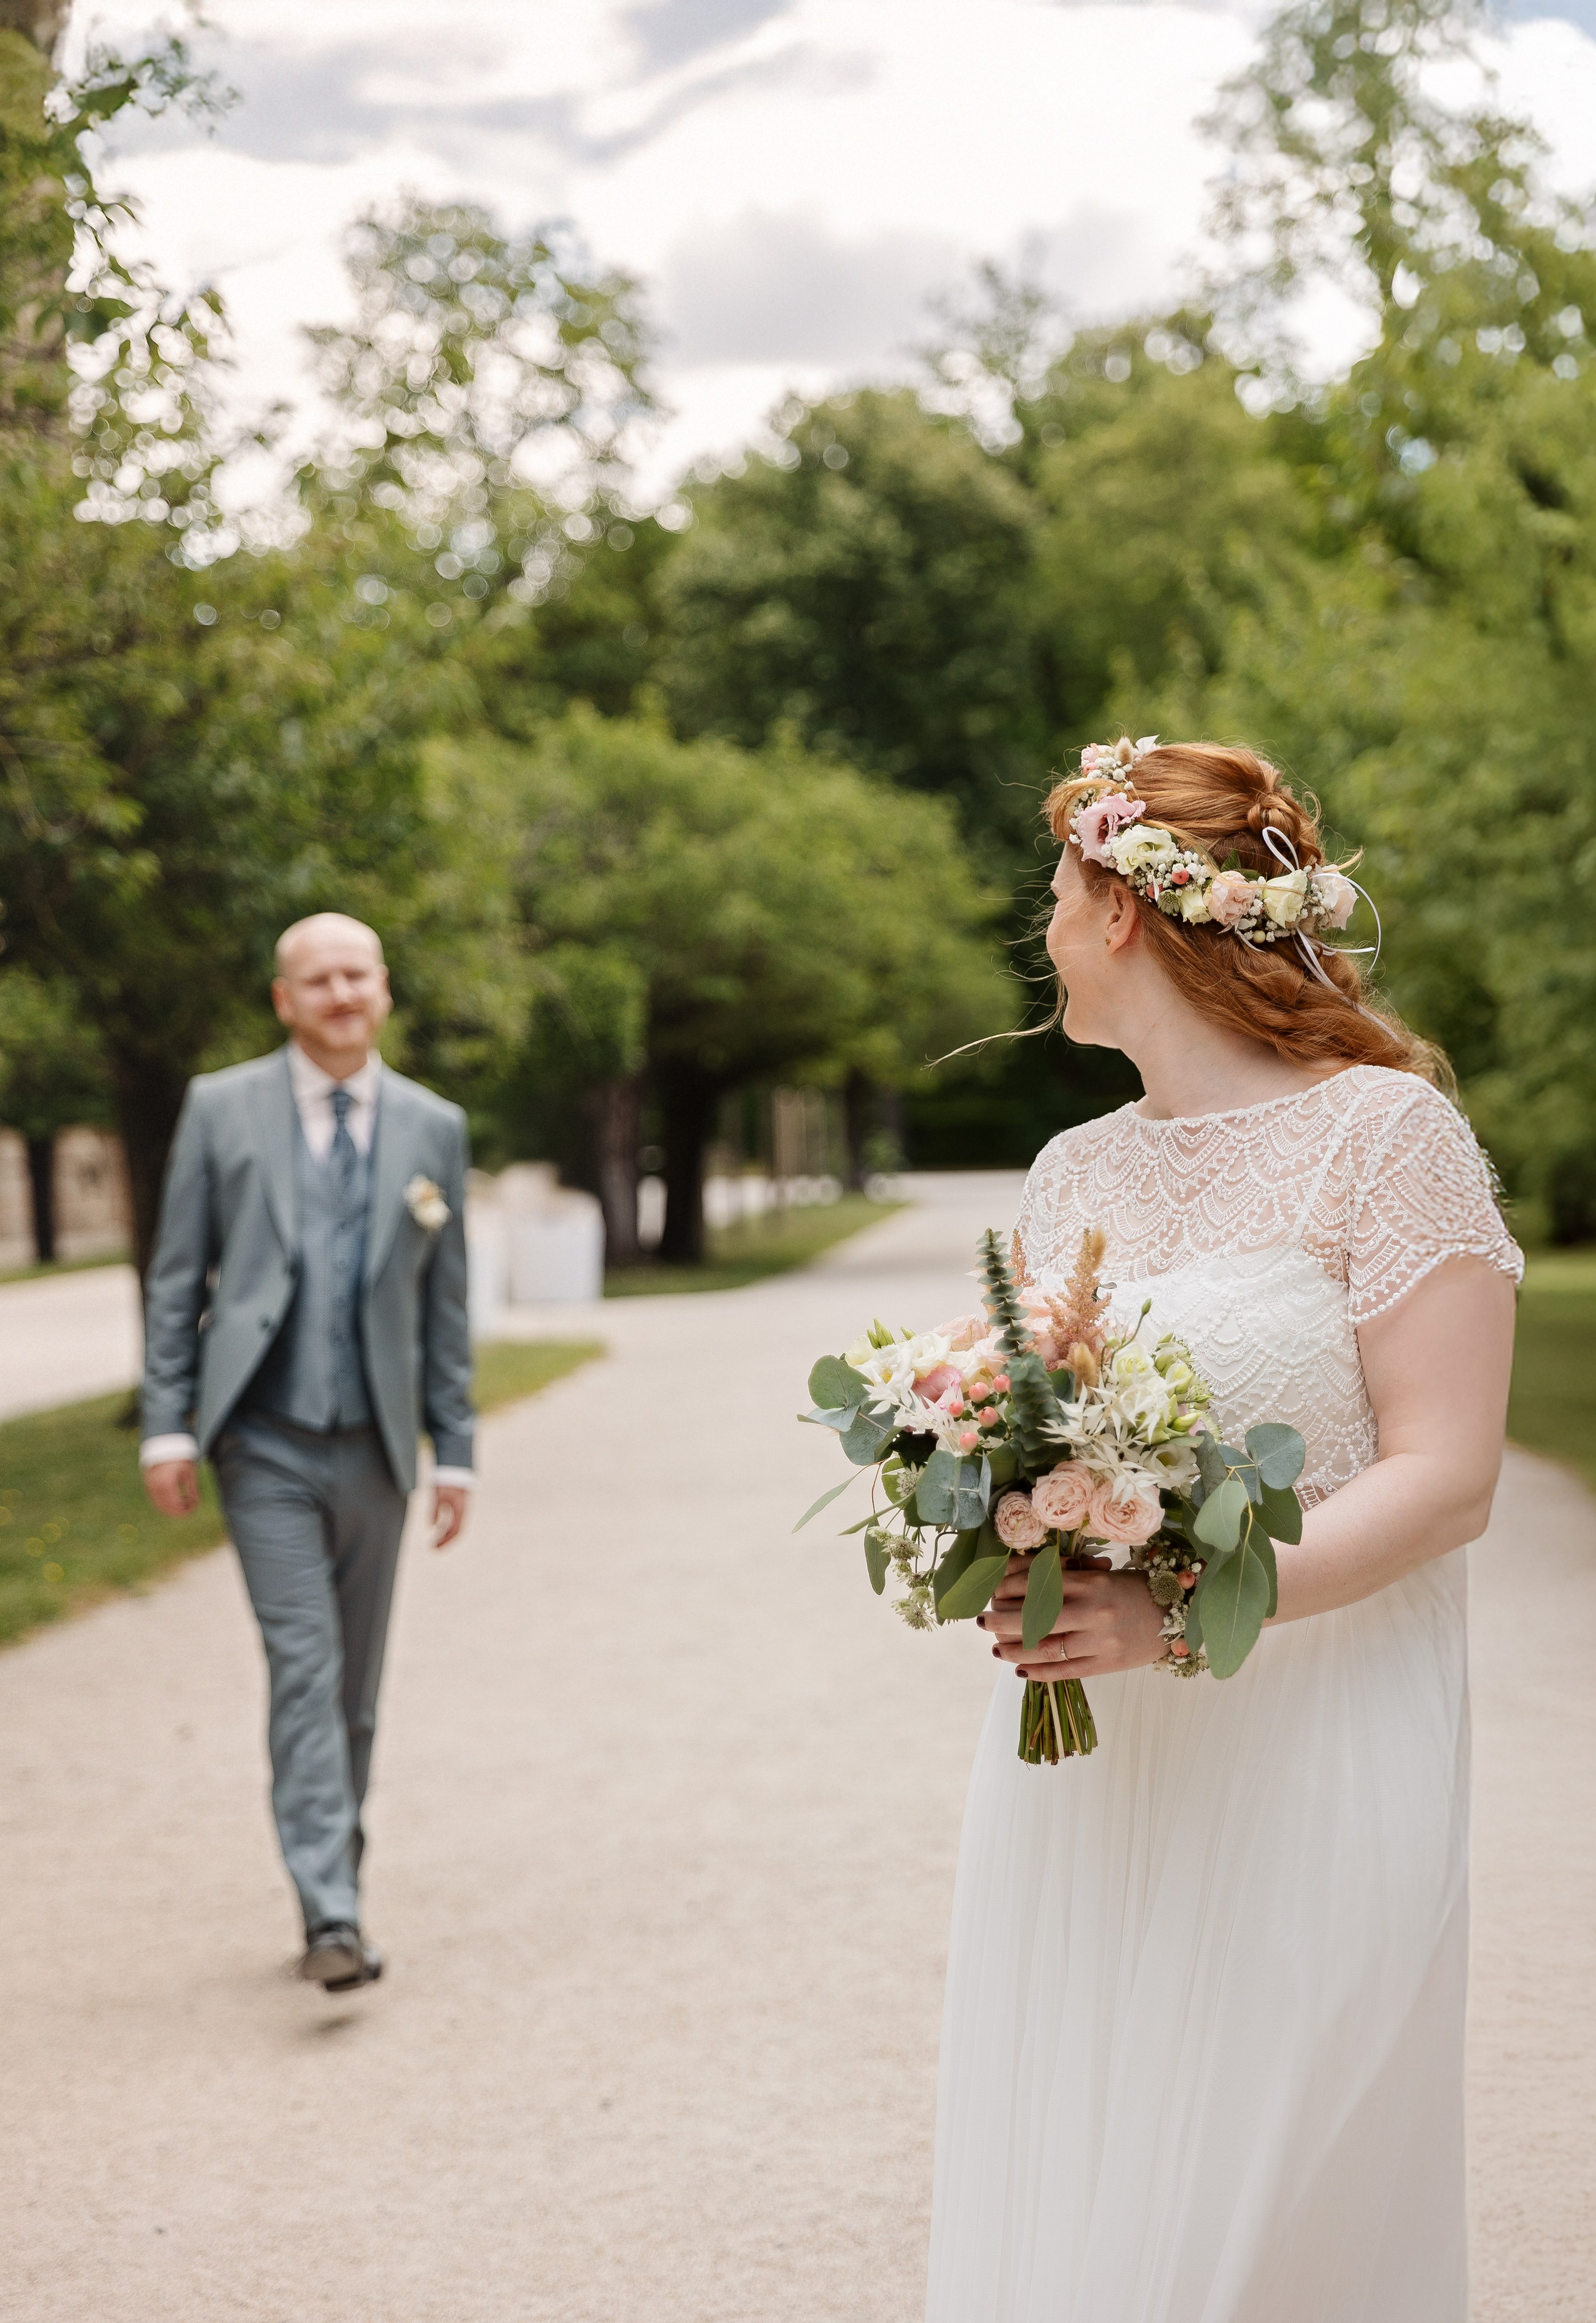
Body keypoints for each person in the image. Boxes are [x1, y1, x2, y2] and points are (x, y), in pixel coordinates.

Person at [925, 741, 1520, 2322]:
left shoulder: (1380, 1135)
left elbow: (1447, 1472)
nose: (1042, 927)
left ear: (1122, 913)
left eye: (1055, 893)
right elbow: (1036, 1415)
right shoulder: (1070, 1173)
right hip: (1098, 1761)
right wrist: (1000, 1524)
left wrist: (1184, 1613)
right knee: (1097, 2181)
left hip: (1323, 1735)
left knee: (1271, 2198)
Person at [140, 913, 475, 1992]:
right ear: (283, 999)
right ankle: (331, 1910)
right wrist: (167, 1420)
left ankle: (337, 1875)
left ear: (383, 989)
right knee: (306, 1666)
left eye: (355, 973)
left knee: (357, 1692)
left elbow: (448, 1306)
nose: (339, 992)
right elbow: (175, 1274)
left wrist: (455, 1449)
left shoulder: (433, 1125)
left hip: (376, 1447)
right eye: (315, 978)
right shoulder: (219, 1106)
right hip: (262, 1443)